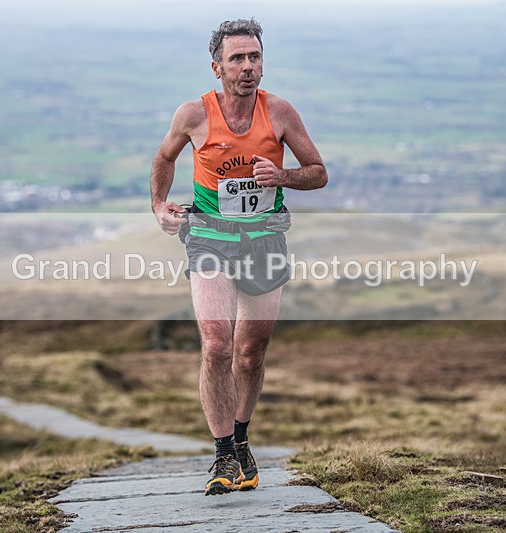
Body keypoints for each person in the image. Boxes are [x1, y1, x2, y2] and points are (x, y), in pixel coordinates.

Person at [150, 18, 327, 496]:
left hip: (265, 240)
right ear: (217, 68)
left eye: (254, 57)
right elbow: (164, 158)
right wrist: (159, 206)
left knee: (250, 353)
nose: (248, 67)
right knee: (216, 344)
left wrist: (283, 177)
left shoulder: (280, 112)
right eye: (237, 59)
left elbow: (318, 172)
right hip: (209, 238)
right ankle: (224, 452)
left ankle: (242, 441)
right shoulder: (194, 115)